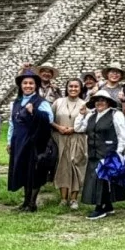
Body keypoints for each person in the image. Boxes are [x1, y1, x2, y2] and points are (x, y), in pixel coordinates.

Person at [74, 89, 125, 220]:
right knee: (96, 180)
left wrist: (118, 153)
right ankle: (108, 206)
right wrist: (81, 115)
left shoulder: (116, 114)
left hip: (108, 153)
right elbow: (78, 128)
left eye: (103, 100)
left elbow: (122, 136)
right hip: (93, 153)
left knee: (102, 182)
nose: (99, 103)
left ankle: (100, 208)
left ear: (108, 102)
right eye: (97, 100)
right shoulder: (90, 115)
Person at [7, 69, 54, 212]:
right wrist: (10, 141)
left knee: (34, 172)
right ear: (21, 86)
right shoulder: (16, 102)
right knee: (22, 171)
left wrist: (34, 111)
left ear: (36, 85)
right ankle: (25, 201)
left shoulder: (41, 102)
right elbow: (12, 123)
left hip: (34, 142)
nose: (28, 86)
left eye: (31, 83)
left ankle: (32, 203)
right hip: (19, 141)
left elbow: (49, 119)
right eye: (25, 83)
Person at [51, 78, 87, 210]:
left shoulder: (84, 104)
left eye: (76, 87)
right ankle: (63, 198)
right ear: (66, 88)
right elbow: (49, 119)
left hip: (77, 138)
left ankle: (74, 198)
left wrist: (74, 129)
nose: (73, 89)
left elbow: (87, 123)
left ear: (80, 88)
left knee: (76, 166)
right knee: (63, 166)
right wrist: (58, 127)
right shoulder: (58, 102)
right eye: (70, 86)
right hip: (60, 138)